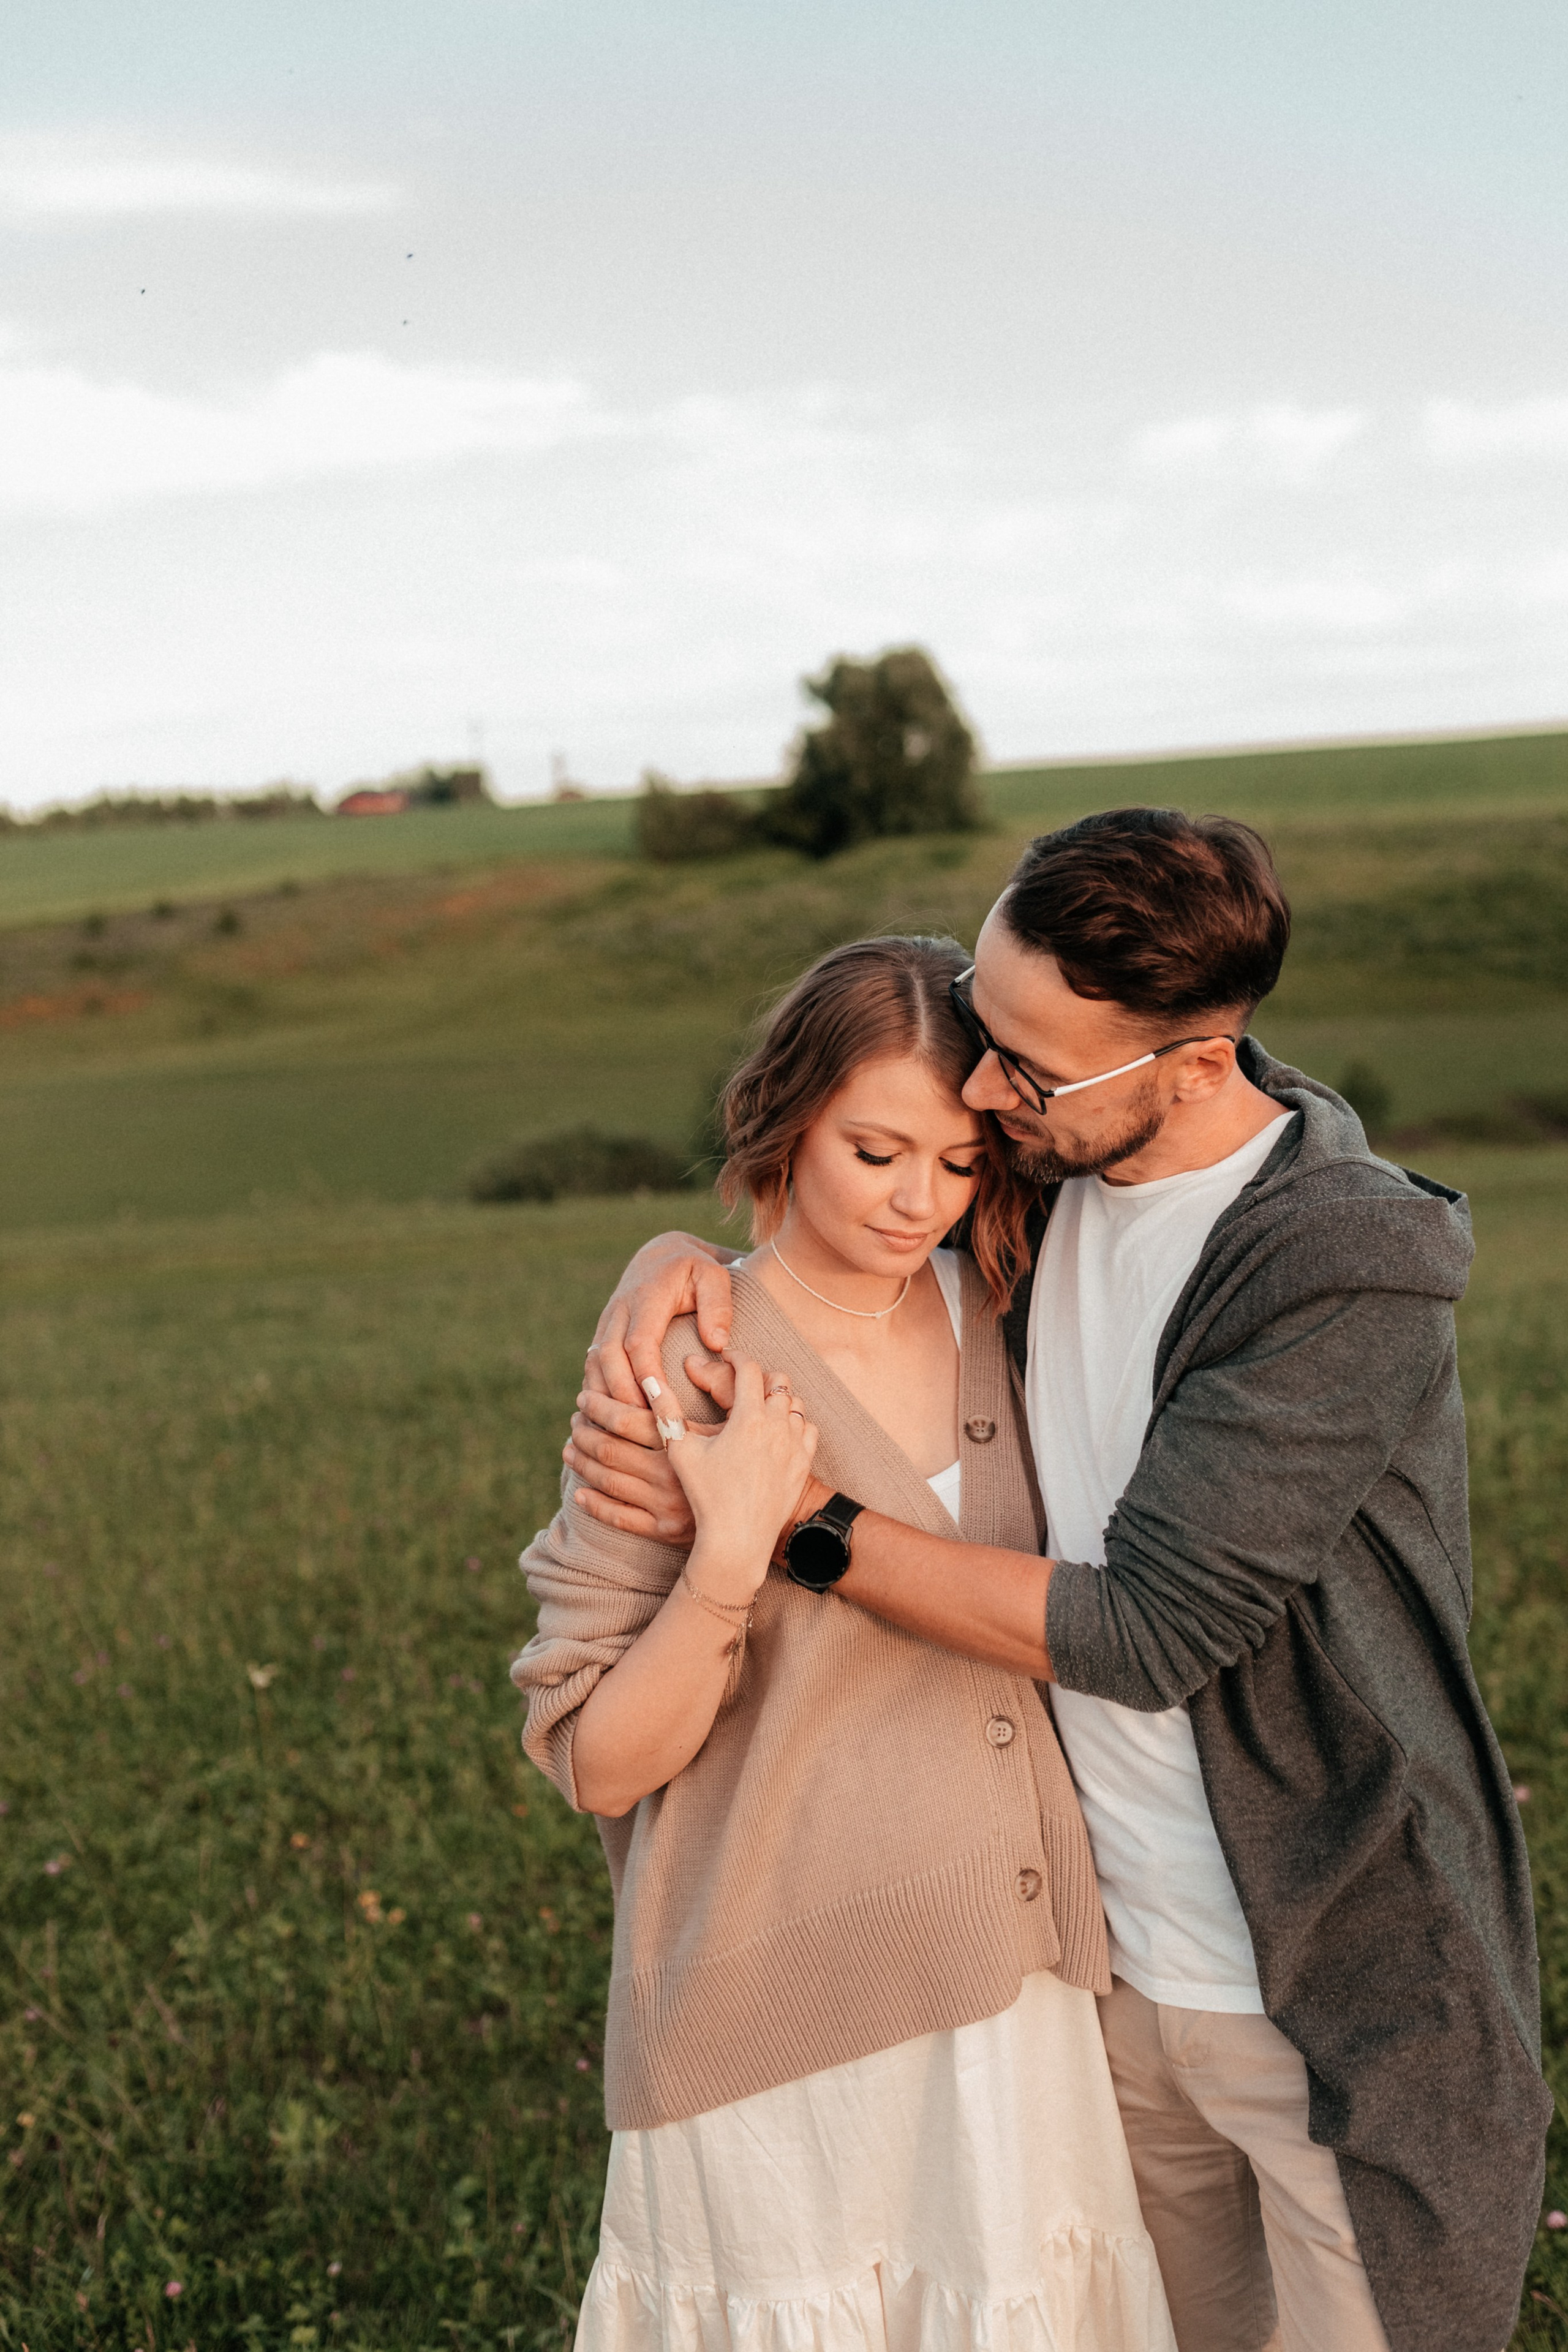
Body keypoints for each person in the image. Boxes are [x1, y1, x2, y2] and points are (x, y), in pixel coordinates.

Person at [566, 808, 1550, 2352]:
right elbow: (841, 1174)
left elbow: (1147, 1629)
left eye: (1018, 1073)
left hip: (1310, 1965)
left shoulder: (1336, 1266)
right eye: (987, 1030)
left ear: (1192, 1064)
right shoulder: (1035, 1186)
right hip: (1095, 1979)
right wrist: (671, 1260)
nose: (978, 1092)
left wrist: (790, 1521)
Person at [513, 935, 1177, 2352]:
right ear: (785, 1115)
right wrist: (732, 1558)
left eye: (954, 1163)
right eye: (874, 1151)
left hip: (1010, 1995)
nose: (913, 1202)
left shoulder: (1013, 1299)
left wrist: (664, 1248)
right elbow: (600, 1764)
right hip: (779, 2013)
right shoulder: (680, 1366)